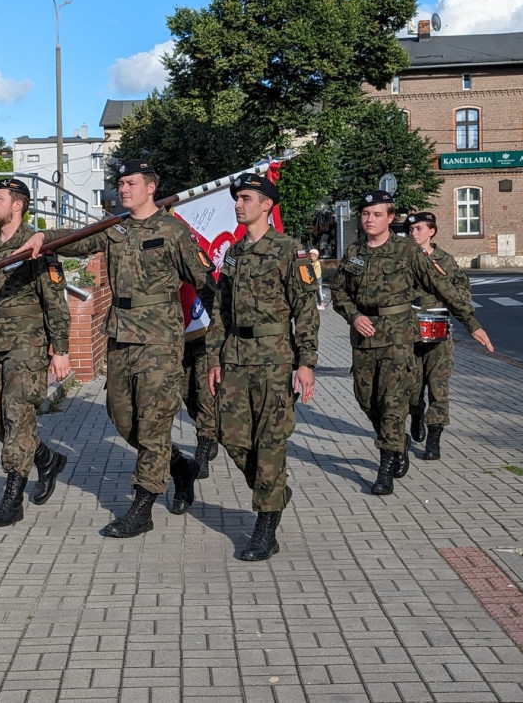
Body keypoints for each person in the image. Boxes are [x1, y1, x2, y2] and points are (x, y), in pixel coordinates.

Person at [17, 159, 215, 538]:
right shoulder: (115, 228)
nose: (123, 189)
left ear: (151, 187)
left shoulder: (174, 232)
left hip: (159, 341)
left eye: (131, 183)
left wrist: (218, 334)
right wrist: (44, 237)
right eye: (120, 183)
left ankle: (142, 506)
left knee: (154, 423)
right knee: (123, 418)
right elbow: (76, 239)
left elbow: (204, 281)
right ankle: (180, 467)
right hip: (120, 337)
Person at [330, 192, 494, 497]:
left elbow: (441, 285)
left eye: (377, 214)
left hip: (399, 339)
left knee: (392, 403)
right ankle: (400, 443)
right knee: (367, 401)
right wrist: (353, 316)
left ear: (391, 218)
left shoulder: (407, 250)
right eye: (365, 214)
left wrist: (470, 322)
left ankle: (385, 468)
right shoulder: (354, 252)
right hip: (364, 339)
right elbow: (338, 292)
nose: (369, 220)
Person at [206, 173, 319, 561]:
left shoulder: (290, 250)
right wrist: (214, 357)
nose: (238, 204)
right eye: (237, 198)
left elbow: (306, 311)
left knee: (271, 442)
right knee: (232, 437)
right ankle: (273, 489)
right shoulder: (235, 253)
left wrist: (306, 363)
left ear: (267, 205)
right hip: (236, 355)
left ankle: (265, 526)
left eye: (247, 198)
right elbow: (220, 311)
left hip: (274, 358)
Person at [0, 178, 72, 527]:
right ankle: (46, 458)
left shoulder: (36, 246)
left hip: (27, 343)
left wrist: (61, 349)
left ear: (18, 204)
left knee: (18, 412)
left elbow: (55, 300)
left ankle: (12, 497)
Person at [404, 211, 472, 460]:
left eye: (419, 229)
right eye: (411, 230)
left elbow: (462, 288)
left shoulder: (446, 259)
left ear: (431, 231)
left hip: (439, 333)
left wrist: (456, 304)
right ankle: (416, 414)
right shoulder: (404, 258)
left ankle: (434, 438)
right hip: (410, 332)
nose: (414, 233)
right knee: (412, 388)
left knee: (438, 387)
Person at [182, 327, 218, 479]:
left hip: (207, 336)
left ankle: (201, 454)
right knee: (187, 393)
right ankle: (211, 434)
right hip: (181, 335)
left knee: (205, 395)